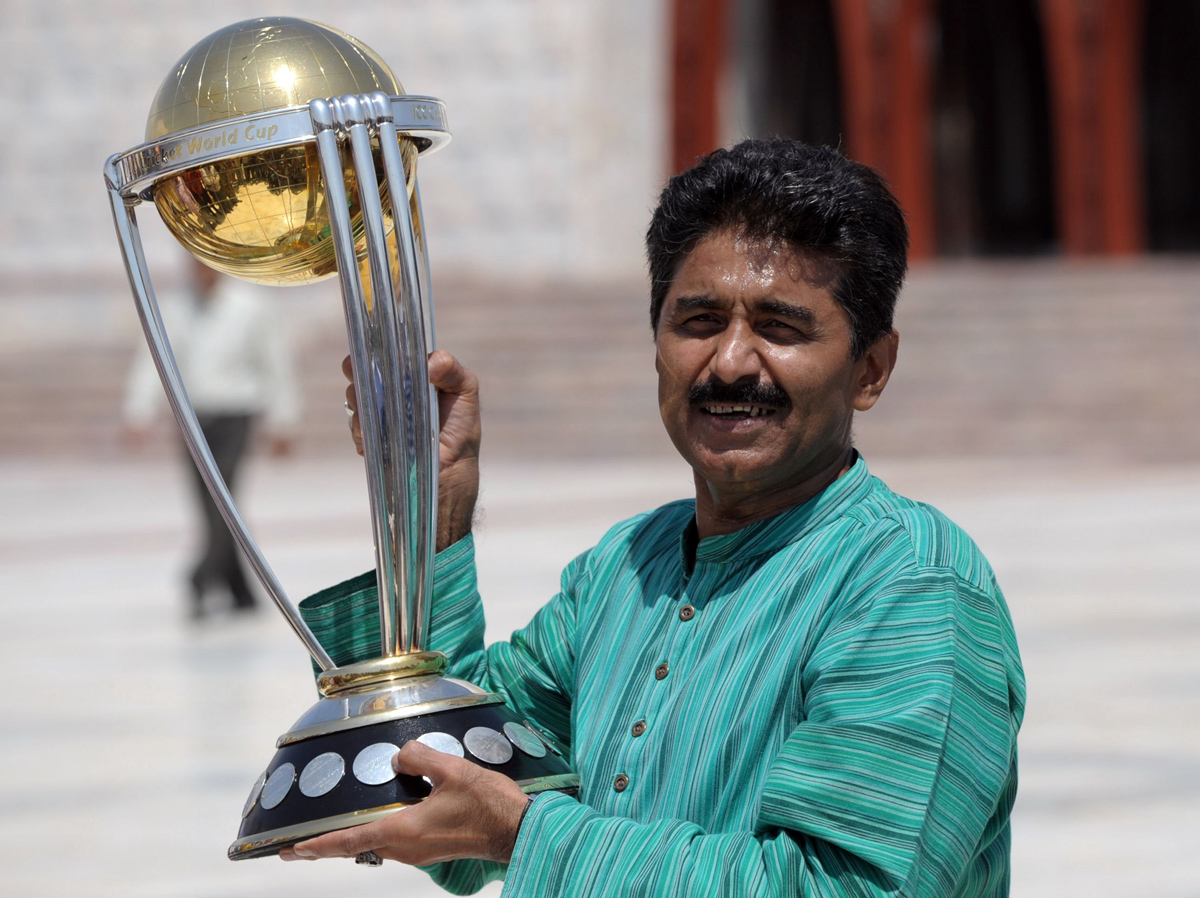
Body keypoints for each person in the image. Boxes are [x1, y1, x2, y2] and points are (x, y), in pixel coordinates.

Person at [283, 140, 1025, 897]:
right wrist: (432, 508)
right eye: (699, 321)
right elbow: (449, 777)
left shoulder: (911, 585)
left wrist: (524, 835)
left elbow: (851, 888)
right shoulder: (627, 567)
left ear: (871, 370)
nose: (731, 362)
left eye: (781, 328)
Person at [122, 257, 300, 617]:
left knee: (223, 499)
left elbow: (274, 362)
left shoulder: (251, 306)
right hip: (193, 418)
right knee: (207, 503)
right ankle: (240, 590)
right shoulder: (174, 308)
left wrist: (284, 420)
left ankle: (200, 575)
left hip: (236, 414)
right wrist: (138, 410)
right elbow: (153, 359)